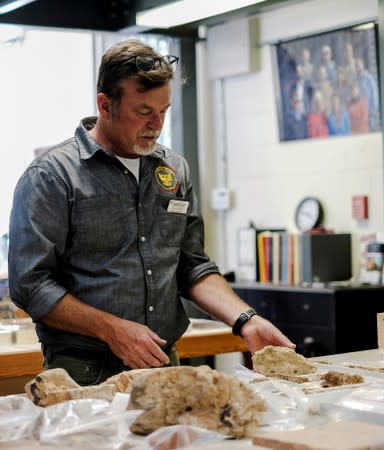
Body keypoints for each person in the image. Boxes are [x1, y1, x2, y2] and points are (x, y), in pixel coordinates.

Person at [8, 39, 294, 386]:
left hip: (162, 362)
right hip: (83, 371)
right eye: (144, 112)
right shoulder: (53, 176)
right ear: (105, 105)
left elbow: (191, 266)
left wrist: (246, 319)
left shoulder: (173, 170)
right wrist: (112, 330)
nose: (156, 124)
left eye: (164, 111)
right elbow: (30, 284)